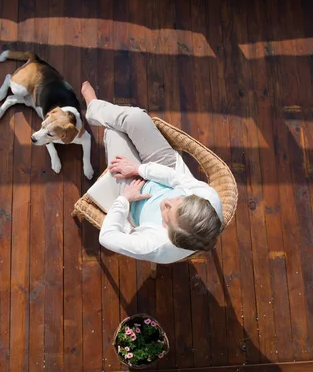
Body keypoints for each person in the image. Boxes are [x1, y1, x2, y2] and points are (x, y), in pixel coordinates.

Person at [81, 81, 223, 264]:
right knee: (135, 118)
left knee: (113, 131)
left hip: (132, 196)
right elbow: (175, 178)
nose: (166, 201)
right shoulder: (208, 198)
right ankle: (93, 108)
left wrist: (125, 200)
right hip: (164, 167)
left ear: (169, 232)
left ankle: (96, 109)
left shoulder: (155, 245)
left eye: (167, 212)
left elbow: (107, 237)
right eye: (179, 199)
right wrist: (138, 168)